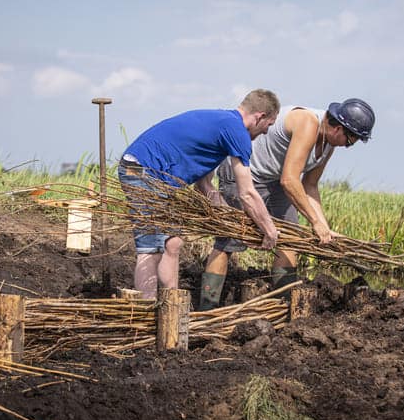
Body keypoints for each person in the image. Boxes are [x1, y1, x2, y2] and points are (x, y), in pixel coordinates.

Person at [199, 98, 375, 310]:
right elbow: (290, 180)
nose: (348, 147)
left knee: (289, 238)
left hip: (275, 178)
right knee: (228, 242)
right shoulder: (308, 123)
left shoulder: (329, 142)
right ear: (339, 128)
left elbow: (309, 185)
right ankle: (207, 307)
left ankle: (283, 305)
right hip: (245, 172)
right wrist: (314, 222)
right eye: (350, 141)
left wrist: (323, 225)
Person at [118, 89, 283, 299]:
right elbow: (248, 193)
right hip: (142, 170)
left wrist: (233, 223)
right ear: (260, 117)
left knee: (173, 243)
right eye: (268, 125)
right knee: (150, 247)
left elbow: (205, 186)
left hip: (152, 174)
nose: (267, 132)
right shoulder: (237, 131)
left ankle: (172, 305)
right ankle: (147, 311)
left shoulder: (223, 125)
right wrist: (269, 230)